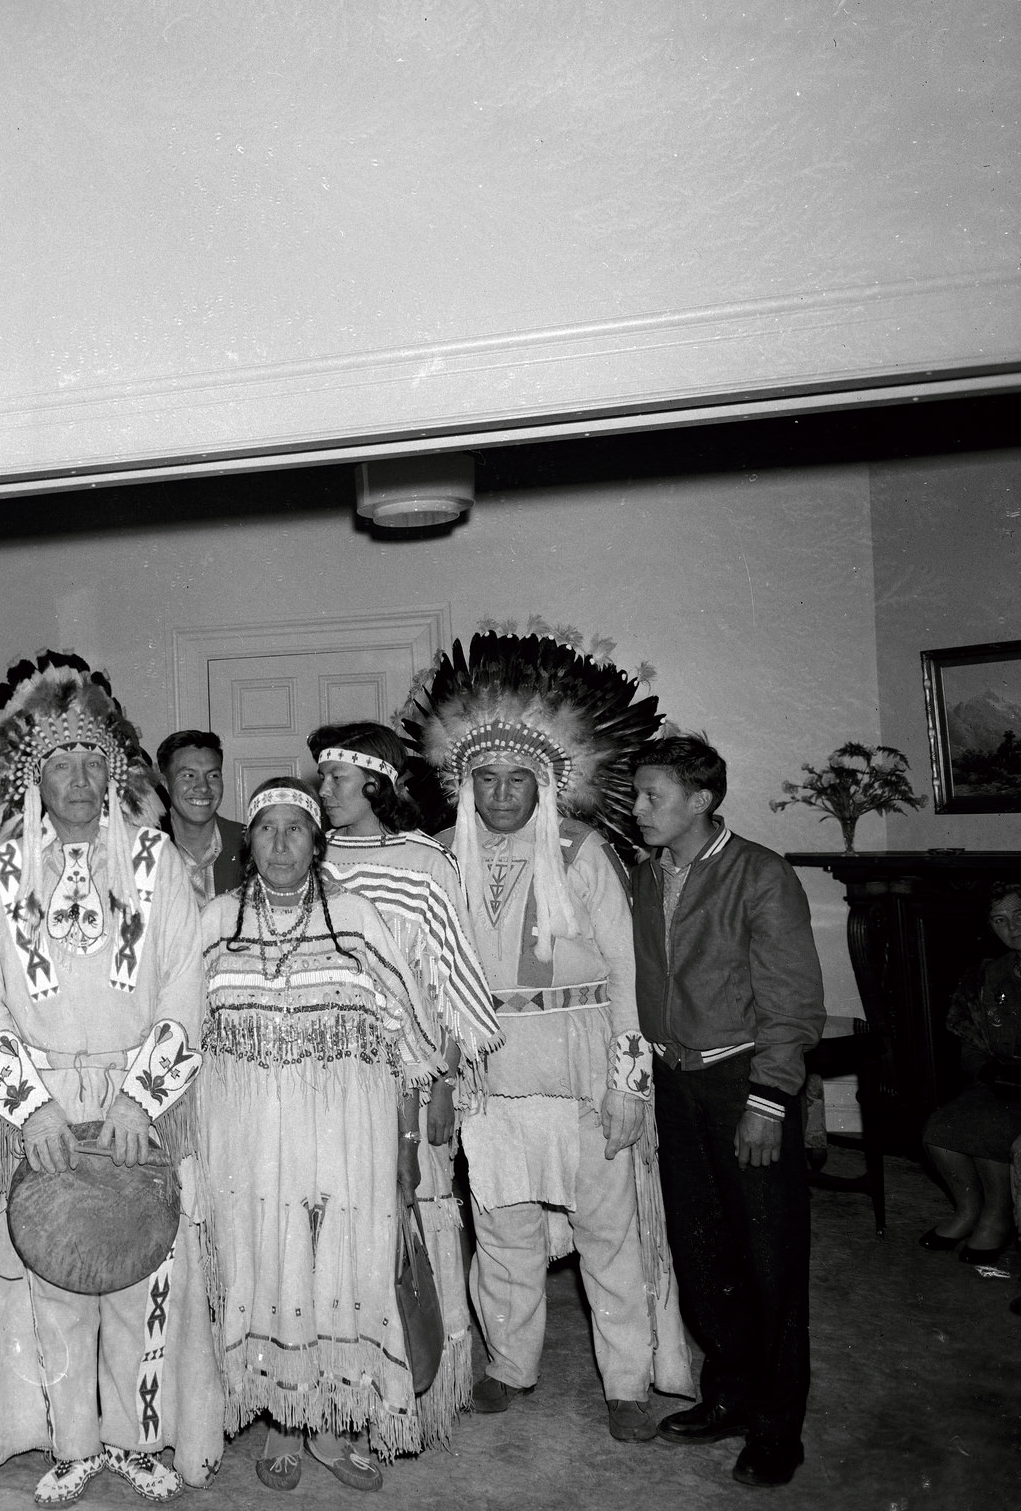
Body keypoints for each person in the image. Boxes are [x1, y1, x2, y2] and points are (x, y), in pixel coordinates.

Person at [402, 629, 693, 1446]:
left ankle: (628, 1381)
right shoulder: (438, 860)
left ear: (546, 783)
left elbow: (627, 977)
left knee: (609, 1233)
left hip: (581, 1067)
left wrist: (628, 1082)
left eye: (516, 779)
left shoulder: (584, 852)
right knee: (503, 1230)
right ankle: (510, 1364)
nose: (500, 794)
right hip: (490, 1080)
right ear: (464, 786)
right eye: (485, 779)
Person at [0, 652, 223, 1505]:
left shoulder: (155, 862)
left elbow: (184, 983)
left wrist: (144, 1096)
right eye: (60, 764)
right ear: (35, 779)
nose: (76, 778)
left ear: (113, 776)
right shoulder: (0, 873)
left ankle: (135, 1438)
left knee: (142, 1274)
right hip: (36, 1100)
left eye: (90, 764)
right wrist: (29, 1110)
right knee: (57, 1274)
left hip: (138, 1094)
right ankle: (72, 1443)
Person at [199, 776, 448, 1492]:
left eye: (296, 829)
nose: (281, 844)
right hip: (247, 1139)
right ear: (249, 843)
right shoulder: (216, 921)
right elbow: (179, 1031)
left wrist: (404, 1158)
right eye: (267, 829)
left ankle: (334, 1422)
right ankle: (281, 1417)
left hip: (346, 1135)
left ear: (318, 843)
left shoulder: (359, 919)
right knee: (267, 1266)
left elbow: (412, 1043)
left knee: (340, 1263)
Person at [629, 734, 824, 1488]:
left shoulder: (760, 874)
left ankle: (779, 1428)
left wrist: (769, 1102)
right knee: (702, 1252)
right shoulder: (648, 876)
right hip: (674, 1086)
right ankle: (730, 1398)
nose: (639, 809)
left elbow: (793, 1003)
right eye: (639, 794)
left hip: (742, 1082)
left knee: (768, 1260)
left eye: (654, 797)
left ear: (701, 800)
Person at [309, 722, 503, 1446]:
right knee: (338, 1225)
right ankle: (346, 1389)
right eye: (320, 779)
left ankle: (419, 1393)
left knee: (417, 1223)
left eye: (335, 779)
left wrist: (448, 1076)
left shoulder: (422, 860)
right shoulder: (311, 854)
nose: (322, 791)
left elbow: (453, 973)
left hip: (410, 1076)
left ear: (375, 783)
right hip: (328, 1074)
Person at [920, 883, 1021, 1263]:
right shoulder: (988, 976)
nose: (1012, 928)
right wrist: (987, 1070)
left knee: (989, 1131)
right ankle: (968, 1210)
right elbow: (969, 1042)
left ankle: (997, 1215)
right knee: (940, 1131)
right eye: (1000, 920)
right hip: (1003, 1083)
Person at [155, 730, 246, 907]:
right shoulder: (148, 846)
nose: (203, 787)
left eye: (213, 776)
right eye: (188, 776)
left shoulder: (248, 842)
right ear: (165, 783)